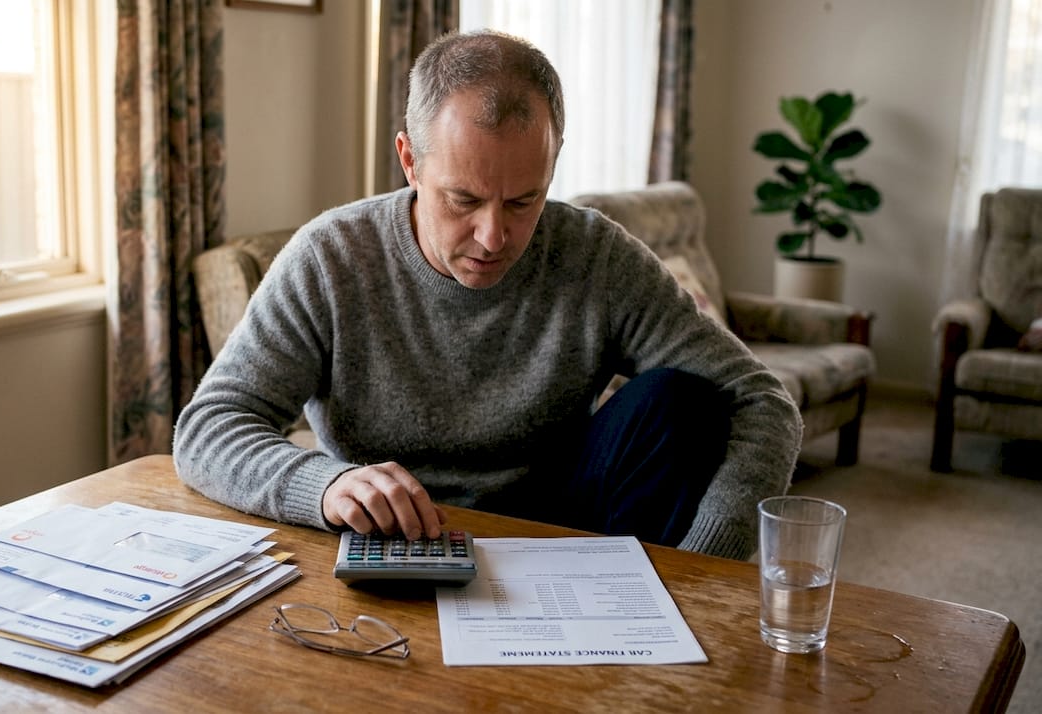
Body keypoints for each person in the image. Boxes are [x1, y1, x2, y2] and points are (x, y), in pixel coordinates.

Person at [174, 30, 801, 560]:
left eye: (524, 201)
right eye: (463, 200)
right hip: (393, 540)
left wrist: (706, 559)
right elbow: (208, 428)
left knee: (681, 401)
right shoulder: (330, 257)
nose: (493, 236)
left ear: (553, 163)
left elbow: (762, 401)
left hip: (560, 525)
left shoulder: (598, 256)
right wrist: (325, 485)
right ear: (410, 160)